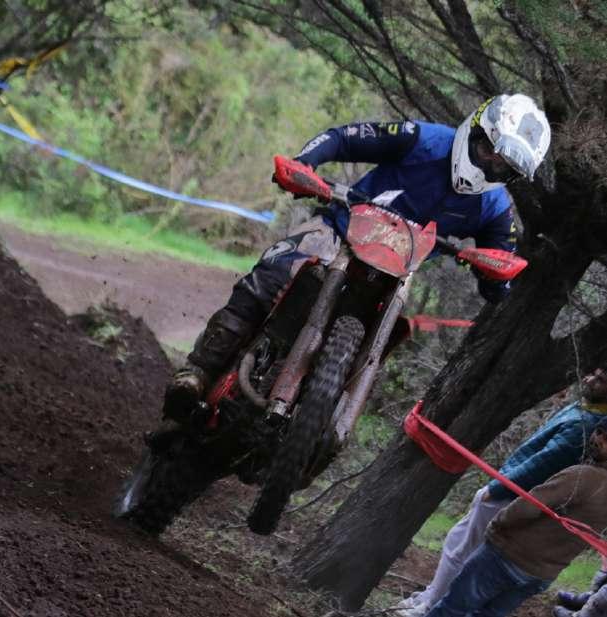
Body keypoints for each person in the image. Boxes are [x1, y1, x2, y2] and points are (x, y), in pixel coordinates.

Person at [163, 93, 551, 420]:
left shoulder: (495, 208)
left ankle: (319, 428)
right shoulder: (424, 140)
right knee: (276, 271)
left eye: (504, 167)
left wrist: (494, 275)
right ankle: (198, 371)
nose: (490, 164)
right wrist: (305, 164)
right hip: (339, 232)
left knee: (385, 342)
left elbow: (501, 267)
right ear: (475, 129)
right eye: (488, 150)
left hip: (397, 275)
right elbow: (345, 138)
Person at [396, 368, 607, 617]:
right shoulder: (587, 412)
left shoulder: (585, 428)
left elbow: (542, 464)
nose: (589, 380)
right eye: (594, 374)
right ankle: (431, 596)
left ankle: (430, 604)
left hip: (513, 496)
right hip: (519, 508)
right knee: (461, 546)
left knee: (461, 549)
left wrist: (497, 489)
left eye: (601, 380)